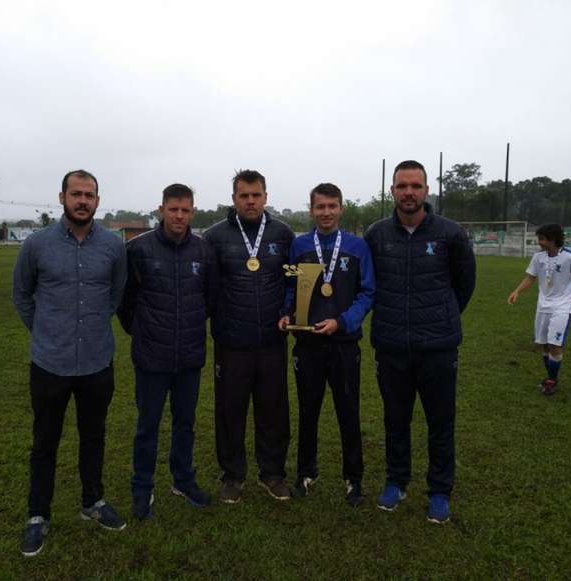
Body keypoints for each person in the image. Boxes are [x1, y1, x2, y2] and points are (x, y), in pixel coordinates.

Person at [12, 169, 127, 557]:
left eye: (89, 195)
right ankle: (37, 515)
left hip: (96, 361)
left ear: (98, 200)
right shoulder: (37, 245)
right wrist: (47, 331)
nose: (82, 200)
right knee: (45, 442)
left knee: (93, 437)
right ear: (61, 197)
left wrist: (90, 328)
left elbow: (116, 294)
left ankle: (92, 502)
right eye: (75, 194)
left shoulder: (113, 245)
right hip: (50, 363)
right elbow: (22, 295)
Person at [364, 160, 476, 524]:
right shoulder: (376, 234)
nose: (408, 192)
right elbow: (369, 283)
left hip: (438, 347)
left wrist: (440, 317)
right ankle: (397, 481)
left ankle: (440, 491)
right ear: (393, 191)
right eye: (402, 186)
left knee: (440, 421)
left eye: (415, 186)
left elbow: (464, 285)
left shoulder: (450, 233)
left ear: (426, 190)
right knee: (395, 419)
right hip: (392, 344)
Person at [118, 183, 215, 520]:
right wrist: (143, 332)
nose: (179, 216)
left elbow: (209, 300)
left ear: (192, 212)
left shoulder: (203, 252)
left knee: (185, 424)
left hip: (189, 356)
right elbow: (125, 302)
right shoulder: (138, 249)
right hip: (151, 358)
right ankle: (142, 488)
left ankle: (183, 480)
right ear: (161, 210)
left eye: (185, 210)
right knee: (148, 426)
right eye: (173, 209)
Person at [278, 183, 375, 506]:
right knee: (308, 411)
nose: (326, 212)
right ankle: (306, 473)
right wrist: (286, 313)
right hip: (307, 344)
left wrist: (343, 321)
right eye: (320, 207)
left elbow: (367, 292)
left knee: (348, 411)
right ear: (311, 210)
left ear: (341, 208)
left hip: (344, 343)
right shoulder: (300, 245)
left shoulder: (357, 247)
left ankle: (353, 479)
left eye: (332, 206)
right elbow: (292, 288)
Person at [203, 169, 295, 503]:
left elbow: (291, 283)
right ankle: (233, 475)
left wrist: (289, 312)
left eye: (256, 195)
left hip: (272, 340)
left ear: (266, 197)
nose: (251, 201)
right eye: (244, 195)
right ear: (234, 199)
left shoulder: (283, 234)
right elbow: (208, 287)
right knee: (230, 410)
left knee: (273, 410)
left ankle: (272, 473)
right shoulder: (214, 237)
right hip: (231, 342)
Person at [507, 224, 571, 395]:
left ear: (553, 239)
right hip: (543, 306)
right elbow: (530, 277)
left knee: (554, 345)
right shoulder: (538, 257)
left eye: (542, 239)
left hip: (562, 307)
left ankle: (551, 380)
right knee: (543, 345)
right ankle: (551, 377)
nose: (539, 243)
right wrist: (516, 291)